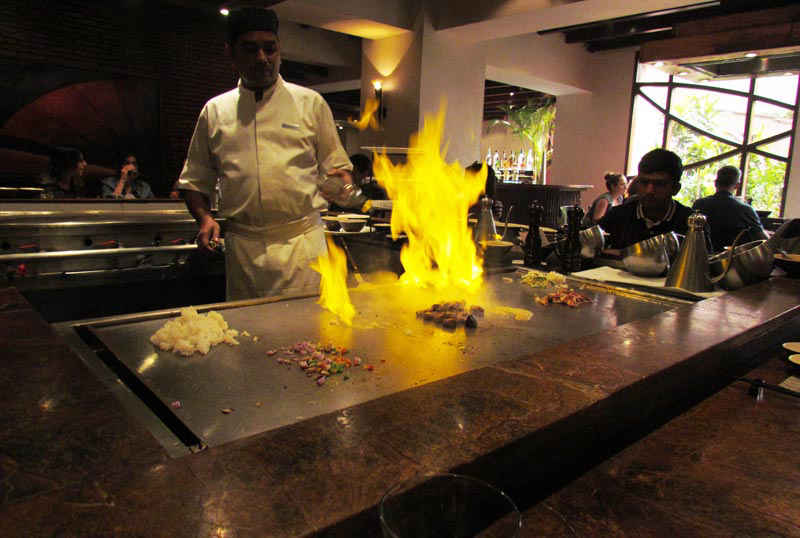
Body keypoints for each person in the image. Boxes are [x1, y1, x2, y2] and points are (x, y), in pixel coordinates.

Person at [175, 7, 353, 300]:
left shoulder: (311, 103)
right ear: (231, 53)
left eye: (270, 49)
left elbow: (337, 167)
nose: (262, 58)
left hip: (302, 246)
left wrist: (340, 183)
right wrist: (204, 218)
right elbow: (194, 180)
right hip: (244, 248)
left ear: (279, 50)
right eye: (250, 49)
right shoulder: (215, 111)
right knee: (247, 326)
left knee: (307, 326)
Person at [599, 149, 693, 250]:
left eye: (659, 184)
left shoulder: (691, 224)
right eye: (644, 182)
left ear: (675, 189)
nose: (649, 191)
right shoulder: (617, 216)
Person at [692, 165, 766, 252]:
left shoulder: (699, 204)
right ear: (737, 186)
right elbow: (763, 240)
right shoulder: (745, 209)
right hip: (730, 258)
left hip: (701, 255)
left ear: (715, 183)